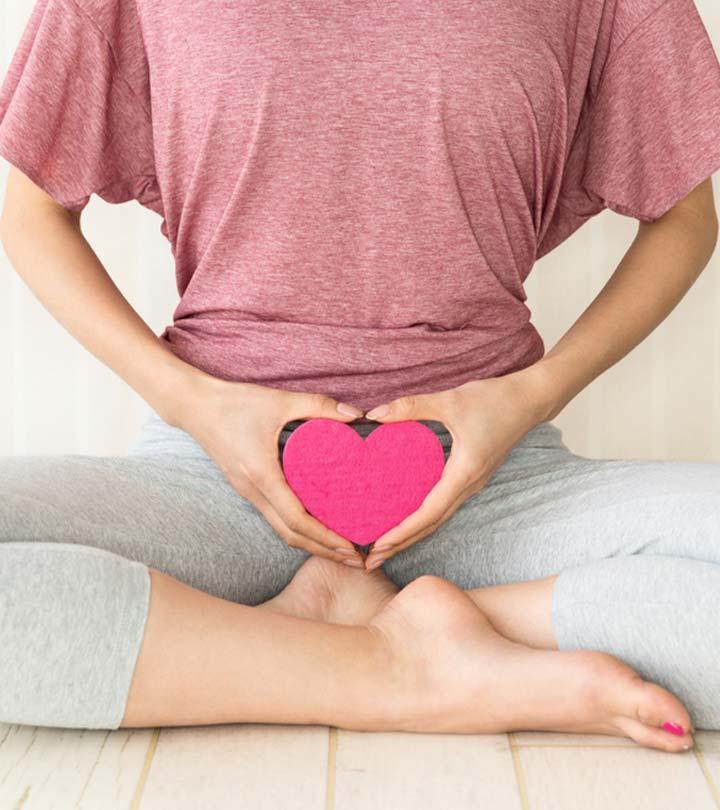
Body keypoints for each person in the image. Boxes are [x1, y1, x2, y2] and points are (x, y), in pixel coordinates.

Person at [0, 0, 719, 753]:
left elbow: (683, 217)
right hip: (215, 481)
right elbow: (33, 213)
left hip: (497, 487)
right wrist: (197, 406)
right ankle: (388, 666)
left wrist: (528, 396)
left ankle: (406, 624)